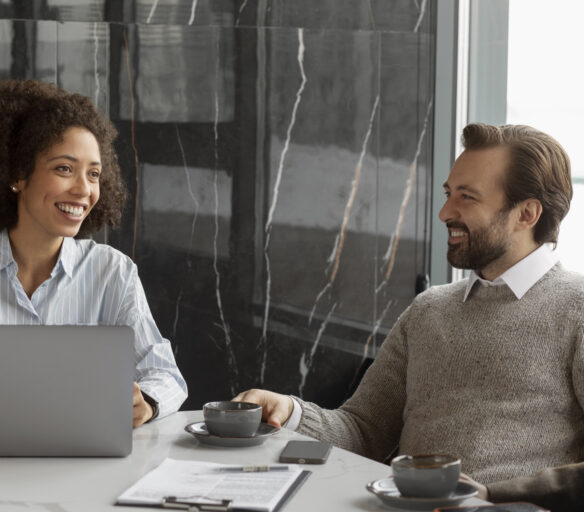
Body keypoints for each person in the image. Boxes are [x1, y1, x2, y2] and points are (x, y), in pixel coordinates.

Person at [235, 123, 584, 487]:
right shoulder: (430, 309)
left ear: (527, 214)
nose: (445, 212)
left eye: (467, 197)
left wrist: (494, 498)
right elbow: (362, 431)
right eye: (448, 193)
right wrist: (290, 412)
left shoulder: (576, 309)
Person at [0, 80, 187, 427]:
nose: (84, 189)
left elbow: (166, 376)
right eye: (64, 168)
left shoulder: (112, 272)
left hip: (83, 472)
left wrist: (144, 403)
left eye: (94, 174)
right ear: (17, 175)